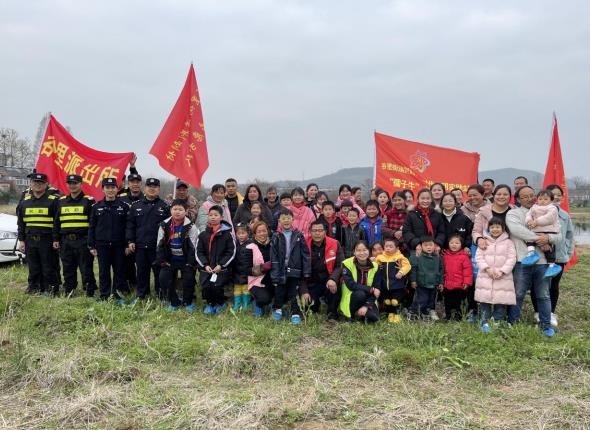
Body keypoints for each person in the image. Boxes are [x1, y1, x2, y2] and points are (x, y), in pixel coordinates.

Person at [506, 186, 560, 337]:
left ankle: (546, 325)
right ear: (518, 199)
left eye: (531, 195)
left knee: (543, 295)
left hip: (543, 261)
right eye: (525, 196)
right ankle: (512, 322)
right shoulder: (513, 213)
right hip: (522, 260)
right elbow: (518, 231)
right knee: (518, 294)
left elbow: (559, 235)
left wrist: (549, 238)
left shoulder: (548, 211)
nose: (530, 199)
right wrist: (540, 239)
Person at [530, 184, 575, 327]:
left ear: (562, 197)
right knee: (538, 284)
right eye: (553, 194)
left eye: (558, 195)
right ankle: (538, 311)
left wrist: (568, 253)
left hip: (559, 255)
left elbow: (569, 236)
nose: (555, 197)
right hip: (540, 255)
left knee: (554, 285)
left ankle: (550, 313)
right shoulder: (535, 212)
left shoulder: (564, 215)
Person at [126, 178, 171, 301]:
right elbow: (130, 225)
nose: (152, 189)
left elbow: (169, 228)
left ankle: (161, 296)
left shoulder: (165, 207)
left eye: (155, 186)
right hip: (140, 246)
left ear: (159, 189)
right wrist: (130, 241)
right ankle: (142, 295)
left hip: (157, 247)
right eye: (149, 186)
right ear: (145, 188)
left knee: (159, 273)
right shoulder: (136, 206)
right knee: (141, 272)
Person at [52, 174, 96, 297]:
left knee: (86, 268)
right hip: (66, 241)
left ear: (81, 184)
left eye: (75, 183)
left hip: (83, 241)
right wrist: (55, 238)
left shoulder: (89, 201)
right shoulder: (61, 201)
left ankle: (89, 291)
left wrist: (91, 242)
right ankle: (69, 290)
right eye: (70, 183)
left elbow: (93, 224)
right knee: (67, 268)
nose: (72, 186)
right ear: (67, 185)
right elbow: (56, 222)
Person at [17, 172, 59, 295]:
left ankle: (50, 289)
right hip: (30, 240)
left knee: (48, 266)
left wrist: (56, 239)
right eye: (35, 182)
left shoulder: (53, 201)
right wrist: (21, 240)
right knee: (33, 266)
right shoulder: (24, 202)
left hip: (47, 240)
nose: (38, 185)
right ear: (31, 184)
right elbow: (21, 223)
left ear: (46, 184)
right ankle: (33, 287)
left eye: (41, 182)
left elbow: (57, 223)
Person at [88, 177, 129, 303]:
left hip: (119, 245)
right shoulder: (96, 207)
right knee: (103, 271)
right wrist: (91, 245)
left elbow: (128, 227)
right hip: (102, 245)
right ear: (103, 189)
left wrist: (127, 244)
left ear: (117, 189)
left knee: (119, 271)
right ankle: (104, 295)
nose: (110, 190)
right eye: (107, 188)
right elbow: (92, 227)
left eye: (113, 187)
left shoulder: (124, 206)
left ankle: (117, 295)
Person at [474, 217, 517, 333]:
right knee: (484, 301)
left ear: (503, 228)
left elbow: (512, 258)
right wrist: (487, 269)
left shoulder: (508, 243)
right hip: (485, 276)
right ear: (489, 228)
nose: (495, 229)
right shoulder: (484, 241)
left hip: (503, 277)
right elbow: (479, 257)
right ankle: (485, 323)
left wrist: (502, 271)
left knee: (500, 302)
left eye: (498, 227)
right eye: (492, 227)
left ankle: (497, 321)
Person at [155, 199, 198, 312]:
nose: (177, 212)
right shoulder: (164, 225)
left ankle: (187, 302)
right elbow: (159, 244)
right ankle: (174, 301)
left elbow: (193, 246)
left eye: (180, 209)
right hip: (170, 259)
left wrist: (190, 263)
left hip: (185, 259)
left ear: (186, 211)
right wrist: (162, 260)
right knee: (163, 278)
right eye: (175, 209)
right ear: (171, 210)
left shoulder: (191, 226)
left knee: (189, 279)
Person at [270, 208, 311, 324]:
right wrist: (275, 273)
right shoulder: (276, 236)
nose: (286, 220)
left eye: (288, 218)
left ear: (293, 220)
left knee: (294, 292)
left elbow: (305, 254)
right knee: (279, 290)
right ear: (279, 221)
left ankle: (295, 312)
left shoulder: (298, 235)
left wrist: (306, 271)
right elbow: (273, 256)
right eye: (283, 218)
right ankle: (278, 309)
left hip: (295, 269)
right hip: (280, 269)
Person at [300, 220, 344, 321]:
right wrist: (304, 291)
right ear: (310, 232)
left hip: (328, 280)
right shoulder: (304, 244)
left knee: (335, 288)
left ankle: (332, 313)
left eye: (320, 230)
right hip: (311, 282)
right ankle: (316, 304)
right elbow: (300, 269)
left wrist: (333, 279)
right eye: (314, 230)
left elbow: (340, 265)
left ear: (325, 231)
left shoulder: (334, 243)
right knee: (309, 307)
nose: (317, 233)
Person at [196, 205, 236, 314]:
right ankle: (210, 304)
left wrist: (221, 265)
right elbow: (199, 252)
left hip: (221, 269)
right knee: (206, 286)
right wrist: (205, 265)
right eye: (210, 215)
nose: (213, 217)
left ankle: (220, 303)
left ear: (221, 217)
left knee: (217, 286)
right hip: (206, 268)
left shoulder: (227, 234)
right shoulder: (203, 235)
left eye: (216, 215)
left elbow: (231, 252)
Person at [339, 241, 382, 323]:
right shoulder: (346, 264)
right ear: (354, 252)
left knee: (374, 318)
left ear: (369, 251)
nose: (362, 253)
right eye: (358, 250)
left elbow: (377, 289)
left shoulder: (375, 266)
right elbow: (351, 285)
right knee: (360, 294)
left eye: (364, 250)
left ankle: (362, 312)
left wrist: (366, 306)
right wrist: (371, 289)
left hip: (369, 297)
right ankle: (352, 314)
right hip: (352, 296)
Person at [522, 189, 562, 278]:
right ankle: (531, 253)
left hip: (549, 230)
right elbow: (528, 214)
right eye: (540, 199)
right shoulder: (534, 207)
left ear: (551, 200)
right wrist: (529, 221)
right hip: (536, 229)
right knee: (529, 239)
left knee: (548, 249)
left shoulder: (552, 208)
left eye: (545, 199)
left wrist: (536, 222)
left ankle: (552, 265)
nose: (542, 201)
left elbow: (549, 218)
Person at [375, 237, 411, 323]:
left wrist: (401, 272)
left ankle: (397, 314)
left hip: (397, 285)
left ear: (397, 248)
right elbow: (374, 266)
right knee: (387, 301)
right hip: (385, 285)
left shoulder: (399, 257)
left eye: (391, 246)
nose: (388, 248)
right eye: (386, 246)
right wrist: (376, 264)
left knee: (395, 301)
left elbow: (407, 266)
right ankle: (390, 313)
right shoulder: (380, 257)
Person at [409, 236, 444, 320]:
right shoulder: (417, 256)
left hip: (434, 283)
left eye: (431, 245)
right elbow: (413, 269)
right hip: (422, 282)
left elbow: (441, 270)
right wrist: (413, 281)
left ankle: (427, 312)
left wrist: (440, 282)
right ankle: (413, 312)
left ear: (435, 246)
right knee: (422, 299)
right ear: (421, 246)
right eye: (425, 245)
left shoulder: (437, 257)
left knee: (431, 299)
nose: (428, 247)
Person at [402, 188, 445, 255]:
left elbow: (441, 232)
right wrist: (417, 244)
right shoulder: (411, 214)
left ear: (431, 200)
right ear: (418, 199)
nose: (425, 201)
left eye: (428, 198)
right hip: (416, 250)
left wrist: (437, 244)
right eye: (422, 198)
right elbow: (406, 232)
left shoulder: (437, 214)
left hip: (434, 250)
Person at [119, 172, 143, 292]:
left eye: (137, 182)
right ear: (128, 184)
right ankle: (130, 285)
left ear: (141, 184)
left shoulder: (146, 198)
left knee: (142, 266)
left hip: (141, 238)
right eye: (132, 182)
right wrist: (126, 242)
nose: (135, 184)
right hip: (125, 237)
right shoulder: (121, 198)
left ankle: (142, 287)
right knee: (126, 265)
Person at [441, 235, 473, 321]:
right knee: (447, 301)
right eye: (451, 243)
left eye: (457, 243)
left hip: (459, 285)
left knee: (458, 302)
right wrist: (441, 282)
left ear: (461, 244)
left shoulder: (464, 256)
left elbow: (468, 271)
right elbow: (442, 270)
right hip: (447, 284)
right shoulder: (445, 255)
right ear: (448, 244)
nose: (454, 245)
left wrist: (467, 282)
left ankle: (458, 317)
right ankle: (448, 316)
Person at [473, 184, 512, 251]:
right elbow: (476, 231)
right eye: (498, 194)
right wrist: (479, 239)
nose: (501, 197)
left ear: (510, 197)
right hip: (488, 249)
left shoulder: (515, 211)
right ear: (494, 196)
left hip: (510, 249)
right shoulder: (483, 211)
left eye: (505, 194)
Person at [250, 221, 274, 317]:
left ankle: (272, 305)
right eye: (259, 232)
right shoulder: (250, 246)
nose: (262, 234)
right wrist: (263, 267)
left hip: (272, 278)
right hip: (257, 280)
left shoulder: (273, 243)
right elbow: (246, 269)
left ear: (267, 231)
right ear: (254, 234)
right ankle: (257, 303)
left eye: (264, 231)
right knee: (263, 299)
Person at [232, 223, 257, 311]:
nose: (241, 235)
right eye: (239, 233)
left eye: (243, 233)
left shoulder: (251, 244)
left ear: (248, 233)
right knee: (237, 288)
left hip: (247, 271)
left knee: (246, 289)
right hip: (236, 272)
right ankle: (237, 304)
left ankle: (246, 304)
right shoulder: (235, 244)